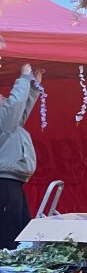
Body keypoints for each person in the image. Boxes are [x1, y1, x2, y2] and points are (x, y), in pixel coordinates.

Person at [0, 63, 42, 249]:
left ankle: (14, 266)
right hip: (4, 184)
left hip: (12, 183)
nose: (4, 98)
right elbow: (14, 108)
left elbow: (19, 113)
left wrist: (33, 88)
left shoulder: (7, 124)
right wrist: (24, 78)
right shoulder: (4, 121)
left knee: (20, 235)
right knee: (8, 238)